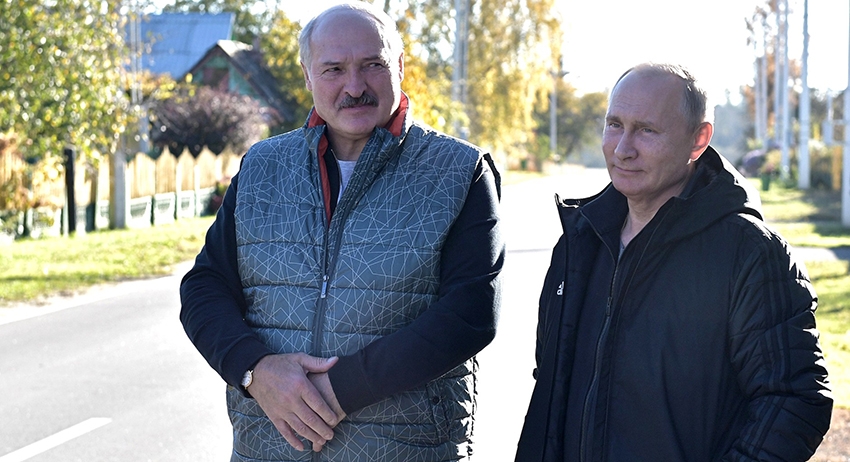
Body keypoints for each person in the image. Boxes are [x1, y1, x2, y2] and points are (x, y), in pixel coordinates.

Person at [179, 2, 504, 461]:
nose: (355, 87)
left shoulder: (460, 170)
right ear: (308, 76)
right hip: (267, 451)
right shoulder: (262, 167)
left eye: (373, 65)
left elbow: (470, 314)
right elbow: (204, 288)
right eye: (333, 69)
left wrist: (339, 389)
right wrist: (256, 370)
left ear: (400, 66)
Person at [514, 63, 832, 461]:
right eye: (615, 125)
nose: (623, 148)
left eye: (646, 130)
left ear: (698, 140)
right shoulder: (580, 241)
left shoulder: (749, 252)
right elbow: (552, 382)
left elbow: (795, 399)